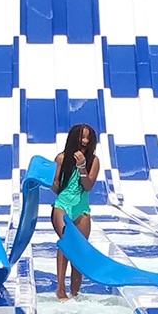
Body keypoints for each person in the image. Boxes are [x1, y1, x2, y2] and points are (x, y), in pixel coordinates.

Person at [51, 123, 100, 300]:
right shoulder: (61, 158)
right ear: (74, 138)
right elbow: (56, 186)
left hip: (81, 208)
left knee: (79, 249)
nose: (85, 141)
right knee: (66, 241)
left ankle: (75, 292)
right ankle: (60, 288)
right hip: (63, 204)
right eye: (82, 137)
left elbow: (88, 186)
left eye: (88, 137)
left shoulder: (94, 161)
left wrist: (82, 167)